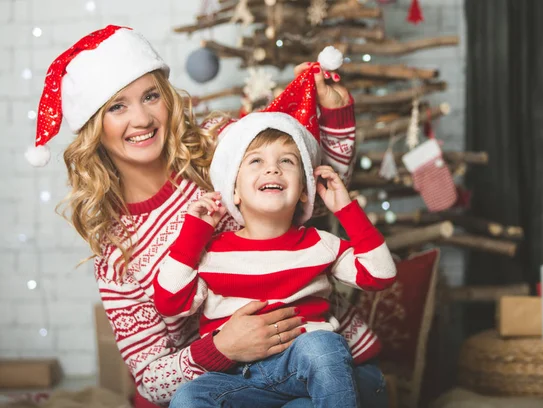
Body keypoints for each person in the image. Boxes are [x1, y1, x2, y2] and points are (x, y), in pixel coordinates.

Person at [29, 25, 388, 407]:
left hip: (327, 365)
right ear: (93, 128)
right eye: (117, 106)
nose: (142, 119)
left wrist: (333, 113)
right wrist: (224, 347)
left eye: (151, 96)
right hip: (234, 385)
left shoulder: (220, 145)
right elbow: (151, 380)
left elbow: (315, 188)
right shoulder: (118, 254)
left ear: (167, 98)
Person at [153, 68, 397, 407]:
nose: (272, 169)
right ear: (233, 191)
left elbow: (381, 274)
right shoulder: (213, 253)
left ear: (303, 191)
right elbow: (170, 303)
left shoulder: (319, 243)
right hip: (239, 379)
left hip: (306, 369)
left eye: (287, 161)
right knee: (189, 396)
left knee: (323, 346)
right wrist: (193, 234)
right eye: (255, 161)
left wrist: (347, 209)